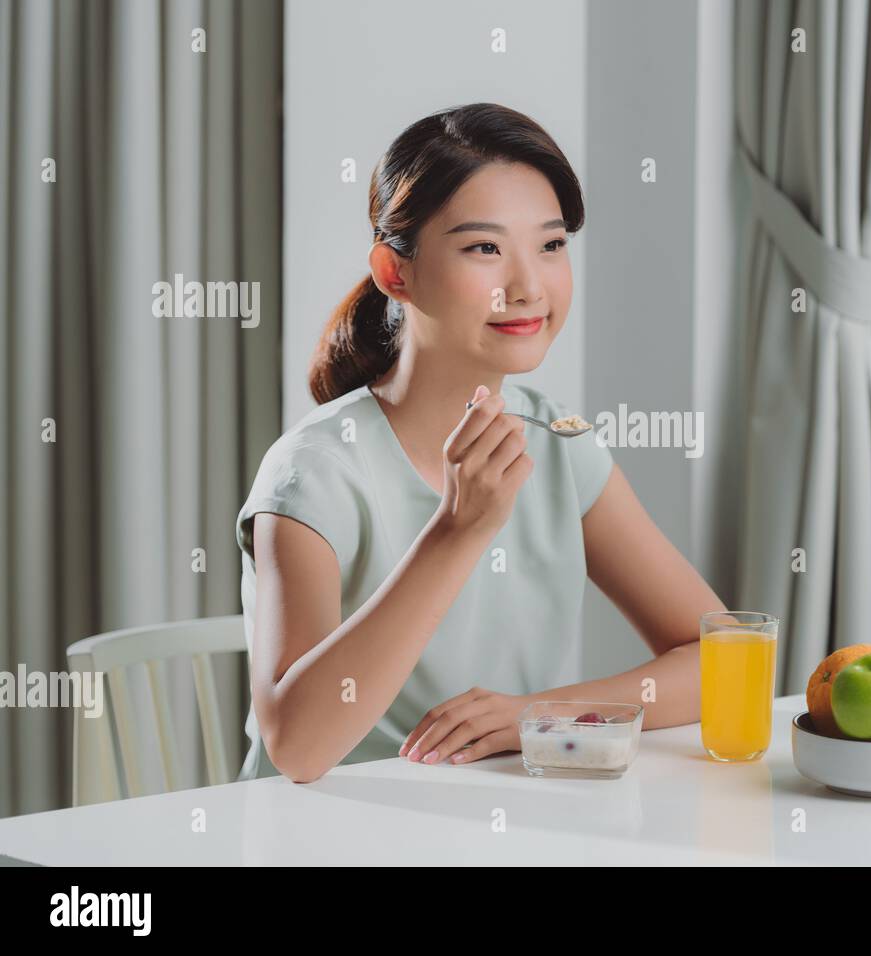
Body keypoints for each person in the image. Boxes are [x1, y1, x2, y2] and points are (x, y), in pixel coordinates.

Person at [235, 103, 725, 782]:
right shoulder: (314, 471)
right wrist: (459, 530)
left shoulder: (561, 443)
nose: (527, 286)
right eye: (484, 248)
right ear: (393, 272)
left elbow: (726, 660)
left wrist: (539, 713)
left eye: (551, 245)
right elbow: (296, 747)